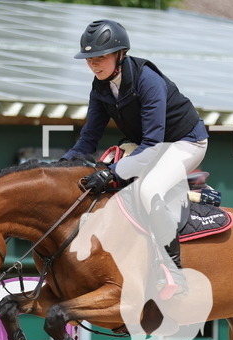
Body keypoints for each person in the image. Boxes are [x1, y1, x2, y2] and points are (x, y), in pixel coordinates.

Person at [62, 19, 209, 298]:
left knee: (148, 189)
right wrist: (59, 167)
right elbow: (88, 140)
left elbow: (154, 145)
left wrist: (113, 173)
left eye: (101, 57)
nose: (94, 64)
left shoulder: (148, 80)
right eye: (89, 58)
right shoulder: (100, 86)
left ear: (120, 54)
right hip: (147, 144)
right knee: (102, 175)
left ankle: (173, 272)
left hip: (185, 142)